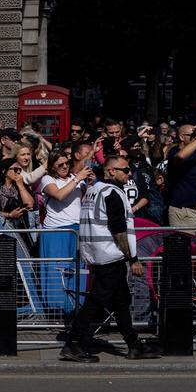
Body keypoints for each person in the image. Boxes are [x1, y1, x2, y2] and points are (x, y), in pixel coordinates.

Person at [62, 154, 159, 363]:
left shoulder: (94, 190)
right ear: (111, 171)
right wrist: (133, 259)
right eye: (125, 170)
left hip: (96, 254)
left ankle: (133, 344)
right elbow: (119, 230)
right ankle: (73, 343)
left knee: (121, 300)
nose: (129, 174)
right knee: (95, 301)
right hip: (109, 255)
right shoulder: (113, 193)